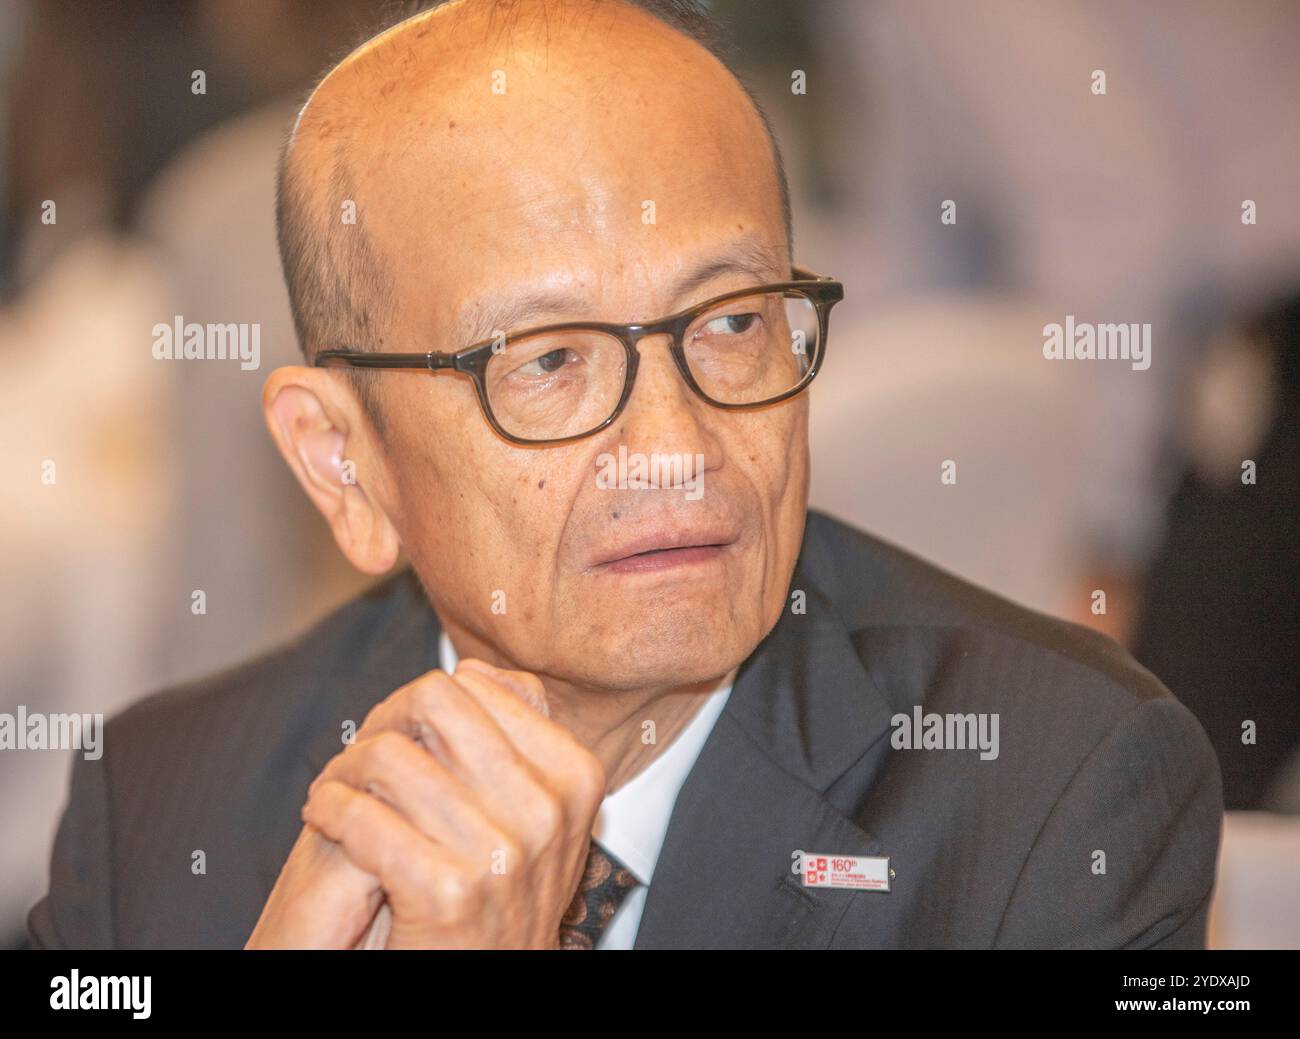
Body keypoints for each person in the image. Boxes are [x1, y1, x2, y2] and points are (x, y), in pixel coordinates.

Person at [29, 0, 1222, 950]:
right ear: (346, 465)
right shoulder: (162, 800)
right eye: (546, 359)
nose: (678, 444)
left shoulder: (1059, 787)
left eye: (734, 323)